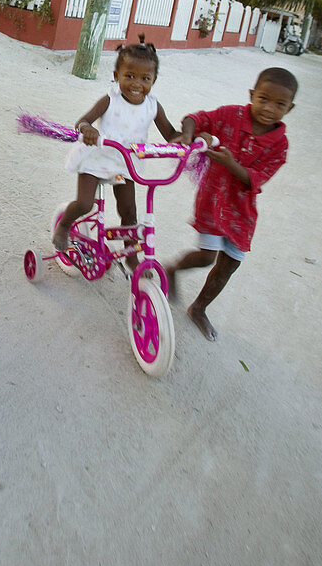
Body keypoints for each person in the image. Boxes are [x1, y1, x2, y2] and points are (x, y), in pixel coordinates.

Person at [166, 66, 297, 342]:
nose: (269, 108)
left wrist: (230, 163)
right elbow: (196, 118)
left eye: (280, 104)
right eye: (263, 99)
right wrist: (189, 134)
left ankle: (199, 308)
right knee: (206, 256)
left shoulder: (279, 145)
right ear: (252, 94)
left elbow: (257, 180)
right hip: (213, 199)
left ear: (290, 108)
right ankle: (172, 269)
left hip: (242, 212)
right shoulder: (231, 115)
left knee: (229, 265)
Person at [52, 37, 181, 257]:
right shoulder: (110, 101)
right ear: (116, 76)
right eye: (129, 76)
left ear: (154, 80)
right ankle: (64, 225)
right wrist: (88, 130)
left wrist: (188, 140)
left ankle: (130, 255)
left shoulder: (153, 106)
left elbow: (170, 134)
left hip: (125, 163)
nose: (136, 84)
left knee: (129, 212)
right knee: (85, 203)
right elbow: (82, 121)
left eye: (145, 78)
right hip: (97, 156)